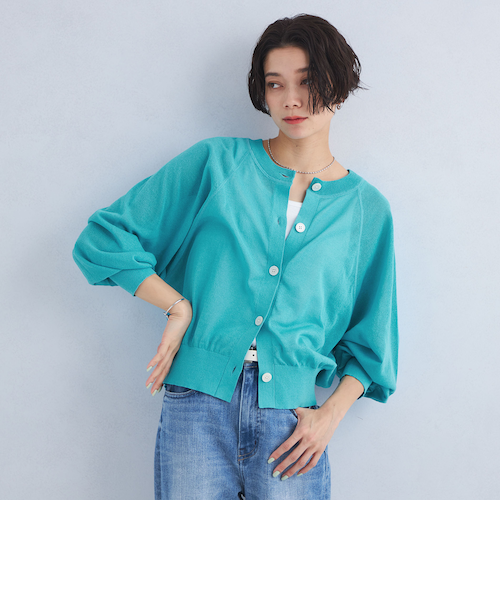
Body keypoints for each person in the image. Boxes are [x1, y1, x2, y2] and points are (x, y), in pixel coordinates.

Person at [72, 14, 398, 500]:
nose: (291, 99)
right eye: (275, 83)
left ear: (339, 82)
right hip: (196, 406)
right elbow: (103, 238)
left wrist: (330, 416)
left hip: (293, 424)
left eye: (307, 81)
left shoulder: (366, 210)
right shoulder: (216, 164)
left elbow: (373, 342)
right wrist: (177, 306)